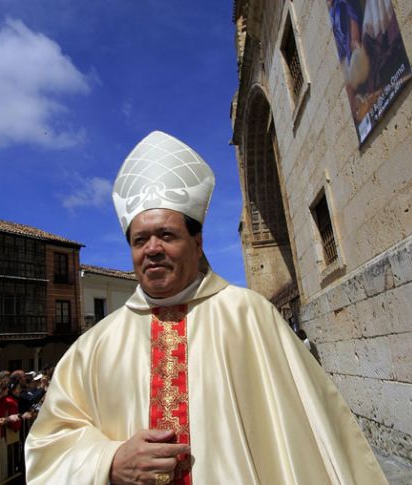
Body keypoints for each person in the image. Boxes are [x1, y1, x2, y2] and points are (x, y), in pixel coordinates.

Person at [25, 131, 388, 484]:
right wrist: (108, 461)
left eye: (166, 235)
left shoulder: (248, 316)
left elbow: (310, 436)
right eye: (140, 240)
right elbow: (48, 446)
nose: (151, 248)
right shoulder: (92, 349)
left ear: (197, 243)